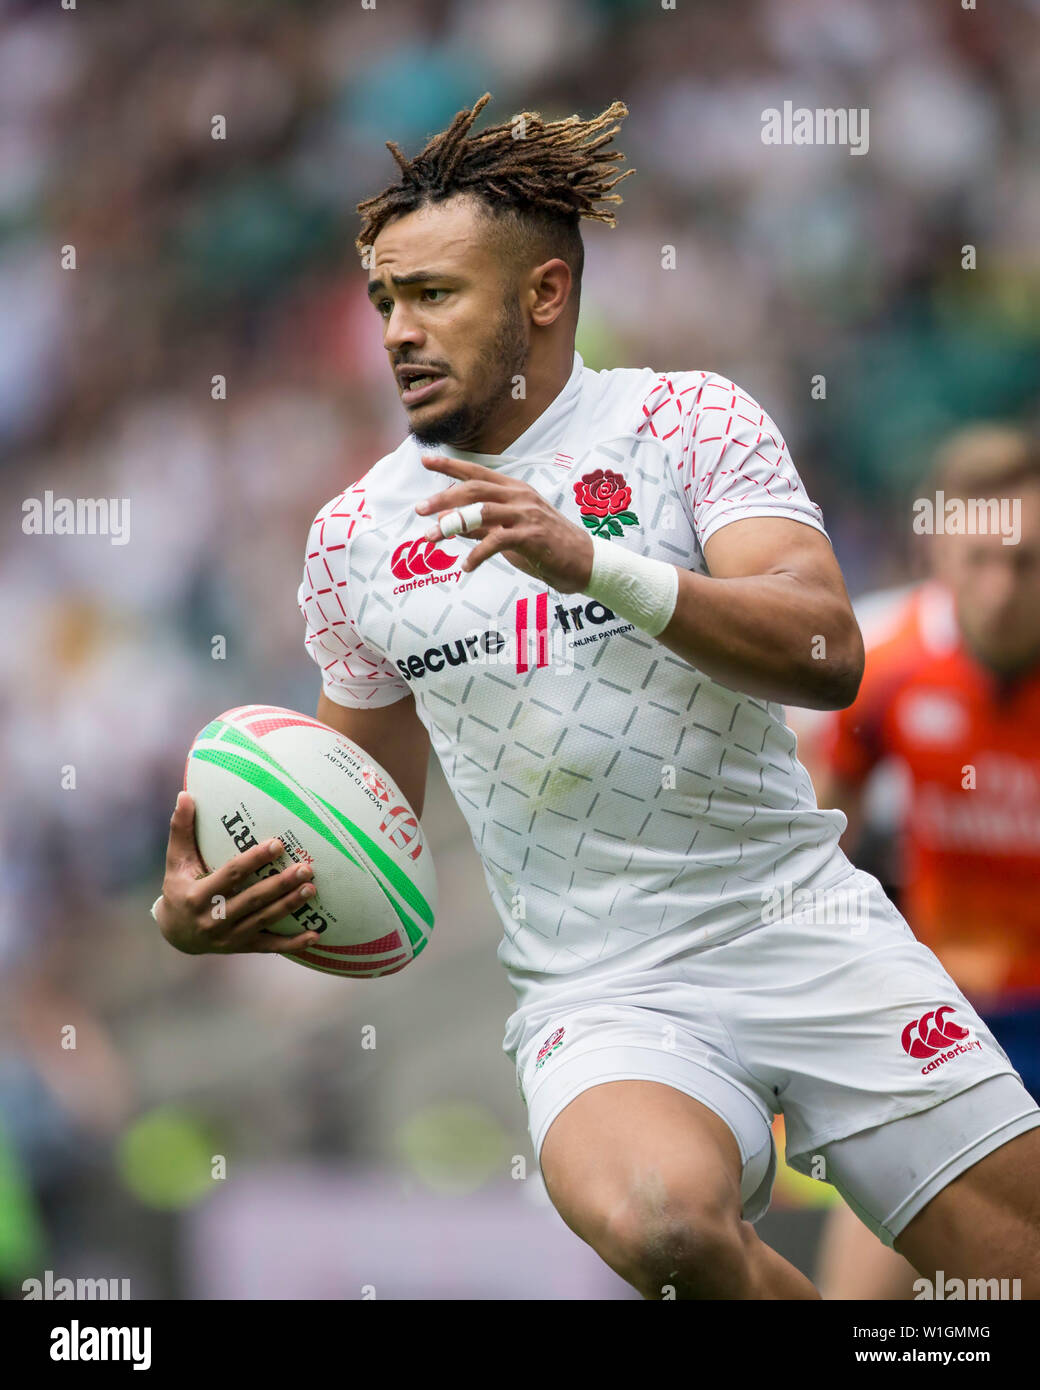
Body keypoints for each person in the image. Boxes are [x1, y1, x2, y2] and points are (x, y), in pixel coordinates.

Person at [154, 95, 1040, 1299]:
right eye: (384, 302)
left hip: (804, 927)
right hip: (601, 989)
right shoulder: (351, 537)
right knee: (664, 1229)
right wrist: (231, 908)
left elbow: (827, 649)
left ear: (544, 296)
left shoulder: (687, 423)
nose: (398, 333)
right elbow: (368, 830)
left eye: (434, 296)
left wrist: (593, 562)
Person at [799, 425, 1040, 1298]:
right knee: (864, 1305)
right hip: (945, 1028)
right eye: (981, 559)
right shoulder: (889, 666)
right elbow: (814, 846)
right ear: (940, 551)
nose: (1003, 588)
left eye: (1029, 562)